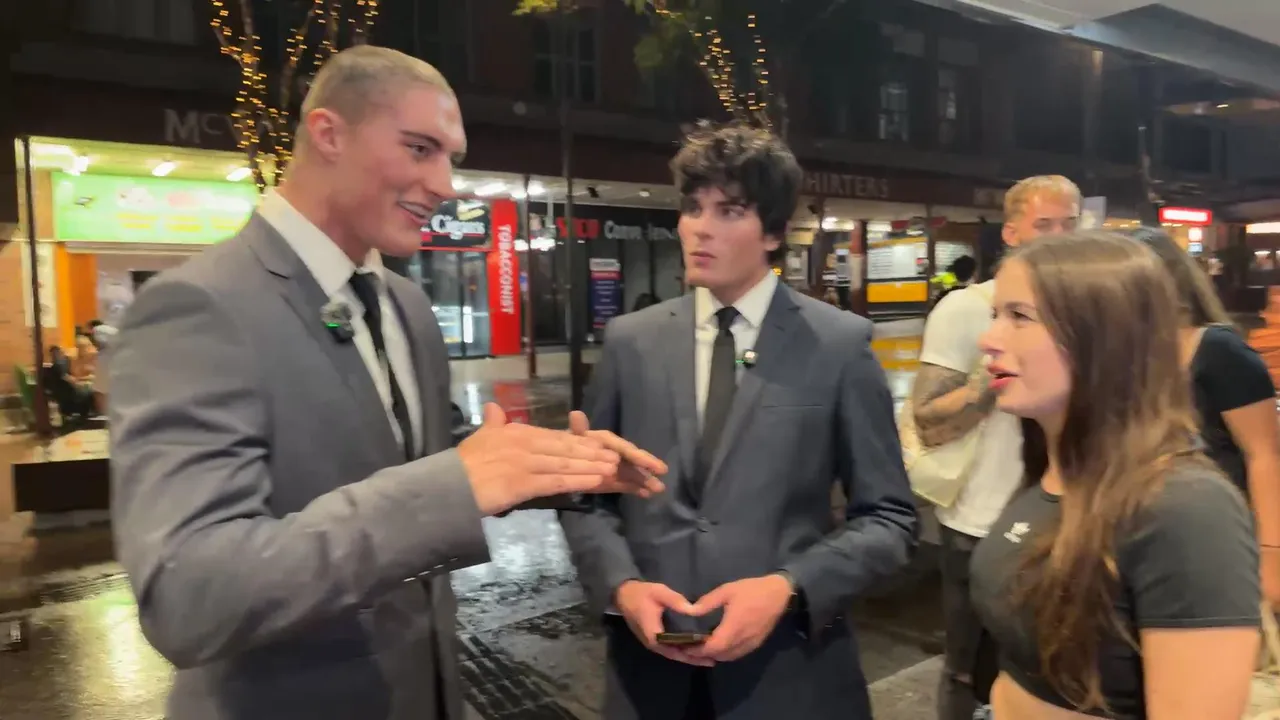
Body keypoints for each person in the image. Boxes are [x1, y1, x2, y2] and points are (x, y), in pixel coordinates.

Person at [108, 46, 666, 720]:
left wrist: (556, 467)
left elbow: (427, 450)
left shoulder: (403, 304)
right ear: (328, 134)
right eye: (419, 149)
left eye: (451, 158)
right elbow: (188, 596)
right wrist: (453, 486)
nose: (446, 184)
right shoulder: (198, 307)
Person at [559, 122, 917, 720]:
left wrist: (789, 587)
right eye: (693, 208)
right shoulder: (631, 342)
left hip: (789, 677)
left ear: (773, 232)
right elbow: (586, 499)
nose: (700, 227)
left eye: (729, 211)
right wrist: (622, 586)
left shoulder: (837, 345)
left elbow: (889, 518)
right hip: (651, 678)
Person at [970, 231, 1260, 720]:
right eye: (994, 315)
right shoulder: (1056, 468)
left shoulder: (1184, 508)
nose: (989, 339)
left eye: (1019, 316)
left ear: (1103, 338)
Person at [911, 174, 1081, 720]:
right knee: (969, 671)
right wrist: (993, 381)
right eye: (1044, 225)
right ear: (1010, 233)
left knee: (1053, 672)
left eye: (1070, 225)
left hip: (1070, 519)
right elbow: (926, 419)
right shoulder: (968, 309)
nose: (1059, 237)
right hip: (981, 522)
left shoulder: (1085, 308)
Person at [1129, 227, 1280, 605]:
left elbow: (1264, 454)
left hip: (1219, 533)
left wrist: (1271, 555)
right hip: (1150, 534)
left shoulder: (1217, 349)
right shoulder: (1122, 355)